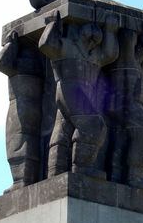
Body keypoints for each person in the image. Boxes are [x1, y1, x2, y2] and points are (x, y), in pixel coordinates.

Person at [38, 10, 119, 179]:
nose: (93, 36)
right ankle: (82, 167)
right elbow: (46, 45)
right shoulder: (67, 46)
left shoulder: (94, 55)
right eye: (88, 32)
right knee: (93, 124)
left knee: (63, 130)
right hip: (70, 88)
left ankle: (55, 172)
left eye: (97, 35)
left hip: (83, 92)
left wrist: (110, 31)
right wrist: (52, 24)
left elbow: (110, 55)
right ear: (79, 32)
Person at [105, 30, 143, 190]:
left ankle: (118, 176)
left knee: (123, 140)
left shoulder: (138, 65)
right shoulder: (127, 57)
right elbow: (127, 36)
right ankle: (134, 177)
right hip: (123, 103)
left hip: (128, 104)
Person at [0, 31, 44, 193]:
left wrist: (10, 45)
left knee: (17, 142)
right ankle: (29, 178)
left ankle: (21, 181)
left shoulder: (19, 65)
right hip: (39, 109)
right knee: (30, 141)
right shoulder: (41, 66)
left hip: (20, 107)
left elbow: (0, 63)